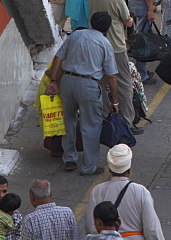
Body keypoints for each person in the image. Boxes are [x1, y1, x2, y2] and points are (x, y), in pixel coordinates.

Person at [45, 11, 119, 175]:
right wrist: (115, 102)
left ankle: (70, 158)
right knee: (91, 125)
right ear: (108, 27)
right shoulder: (105, 43)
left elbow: (58, 58)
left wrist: (53, 81)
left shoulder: (76, 35)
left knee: (69, 121)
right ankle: (88, 166)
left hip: (68, 82)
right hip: (89, 85)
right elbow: (111, 76)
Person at [88, 0, 137, 130]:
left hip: (96, 44)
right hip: (115, 45)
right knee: (124, 84)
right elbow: (126, 19)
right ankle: (126, 121)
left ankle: (102, 116)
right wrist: (129, 21)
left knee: (100, 82)